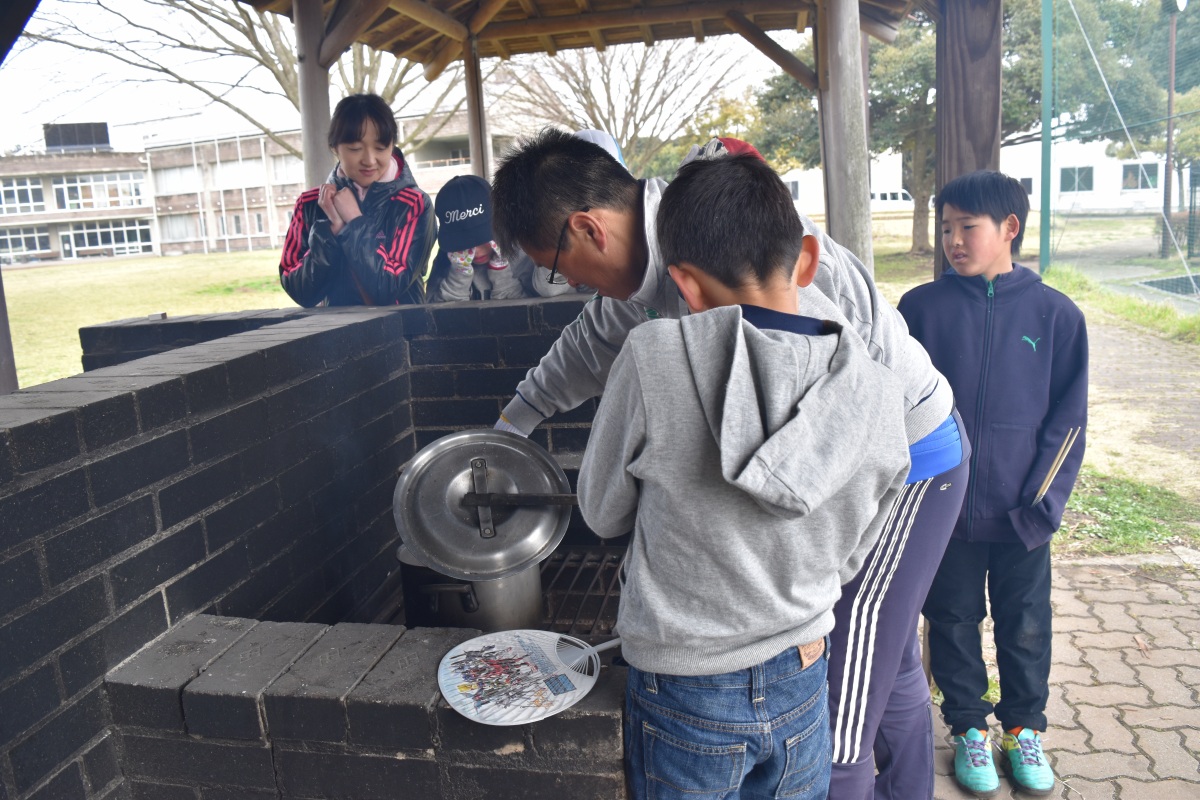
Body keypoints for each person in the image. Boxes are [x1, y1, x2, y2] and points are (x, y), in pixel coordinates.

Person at [490, 128, 970, 800]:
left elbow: (851, 390)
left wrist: (808, 581)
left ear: (588, 229)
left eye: (554, 266)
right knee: (882, 658)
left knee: (848, 691)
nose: (566, 283)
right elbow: (586, 345)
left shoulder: (742, 232)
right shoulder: (644, 289)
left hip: (906, 451)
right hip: (854, 465)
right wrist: (509, 425)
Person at [578, 153, 912, 800]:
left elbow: (601, 510)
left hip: (684, 680)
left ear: (685, 284)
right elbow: (856, 550)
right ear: (808, 260)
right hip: (803, 669)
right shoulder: (876, 391)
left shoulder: (654, 356)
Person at [898, 170, 1087, 798]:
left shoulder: (1057, 315)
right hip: (944, 511)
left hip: (1021, 512)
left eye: (967, 227)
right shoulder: (919, 310)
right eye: (946, 227)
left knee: (1024, 623)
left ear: (1009, 227)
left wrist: (1041, 505)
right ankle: (969, 728)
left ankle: (1023, 729)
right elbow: (897, 404)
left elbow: (1068, 423)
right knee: (950, 618)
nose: (953, 240)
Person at [280, 93, 435, 307]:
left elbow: (388, 287)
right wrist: (330, 231)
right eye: (355, 149)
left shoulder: (413, 204)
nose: (369, 160)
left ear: (392, 145)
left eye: (381, 148)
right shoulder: (309, 204)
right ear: (335, 147)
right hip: (335, 328)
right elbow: (300, 291)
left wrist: (354, 221)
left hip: (402, 328)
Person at [426, 174, 526, 302]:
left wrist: (502, 275)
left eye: (483, 238)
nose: (476, 251)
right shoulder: (447, 260)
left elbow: (536, 308)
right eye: (464, 242)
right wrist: (459, 275)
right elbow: (436, 312)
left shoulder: (523, 253)